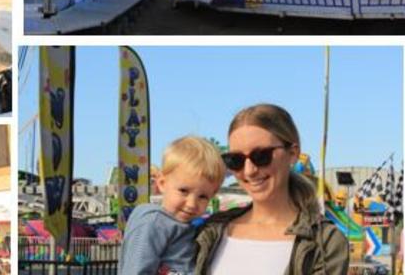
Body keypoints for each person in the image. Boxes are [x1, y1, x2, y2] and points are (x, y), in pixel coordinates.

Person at [194, 104, 349, 275]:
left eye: (261, 156)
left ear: (293, 153)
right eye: (236, 160)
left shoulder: (324, 242)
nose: (249, 171)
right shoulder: (211, 230)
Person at [119, 136, 225, 275]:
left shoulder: (185, 225)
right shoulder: (153, 223)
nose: (192, 204)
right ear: (162, 183)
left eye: (203, 197)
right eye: (183, 191)